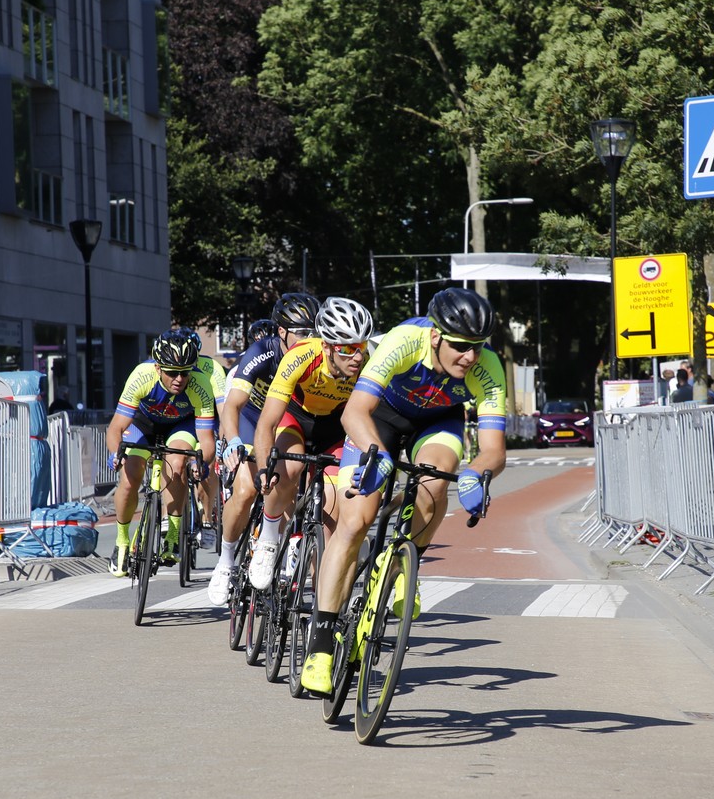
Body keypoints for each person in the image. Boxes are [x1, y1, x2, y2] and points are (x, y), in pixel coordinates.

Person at [299, 287, 507, 695]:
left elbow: (494, 450)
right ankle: (320, 646)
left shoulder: (488, 367)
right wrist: (376, 454)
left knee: (436, 479)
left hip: (438, 423)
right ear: (436, 336)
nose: (470, 357)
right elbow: (354, 411)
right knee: (355, 522)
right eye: (461, 347)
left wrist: (476, 473)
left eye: (478, 347)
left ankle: (398, 566)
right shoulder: (404, 341)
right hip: (379, 419)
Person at [246, 296, 375, 592]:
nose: (357, 356)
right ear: (327, 346)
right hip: (295, 418)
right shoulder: (301, 356)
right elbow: (267, 423)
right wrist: (265, 468)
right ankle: (268, 538)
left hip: (335, 429)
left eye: (361, 346)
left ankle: (321, 600)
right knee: (289, 470)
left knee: (332, 513)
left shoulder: (367, 364)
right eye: (347, 348)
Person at [206, 293, 322, 604]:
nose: (309, 339)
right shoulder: (262, 352)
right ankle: (226, 561)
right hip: (252, 419)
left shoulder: (315, 355)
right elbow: (232, 406)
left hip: (286, 421)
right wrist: (232, 440)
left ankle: (282, 546)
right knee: (246, 490)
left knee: (291, 482)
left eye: (314, 332)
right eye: (302, 332)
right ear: (281, 331)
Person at [104, 334, 216, 576]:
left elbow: (207, 439)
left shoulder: (200, 384)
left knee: (177, 463)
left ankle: (173, 535)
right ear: (158, 368)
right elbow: (116, 428)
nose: (179, 379)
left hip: (180, 426)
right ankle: (122, 540)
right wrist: (116, 453)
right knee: (130, 476)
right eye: (172, 372)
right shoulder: (142, 376)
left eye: (185, 373)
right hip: (143, 424)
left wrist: (201, 462)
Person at [166, 325, 226, 547]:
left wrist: (225, 439)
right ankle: (168, 515)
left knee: (206, 463)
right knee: (171, 458)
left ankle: (207, 518)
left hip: (208, 416)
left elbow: (223, 409)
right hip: (183, 418)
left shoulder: (212, 368)